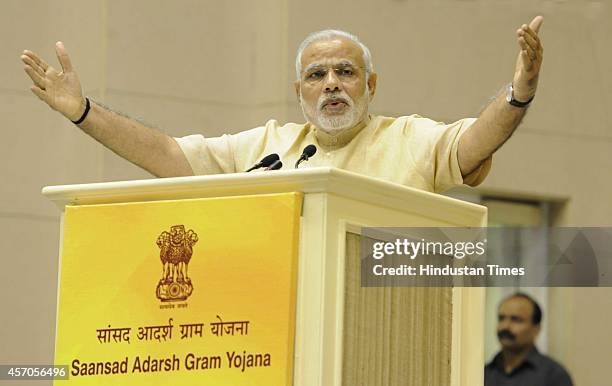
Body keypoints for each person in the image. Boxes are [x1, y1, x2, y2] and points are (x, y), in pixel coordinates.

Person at [20, 17, 544, 193]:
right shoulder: (270, 146)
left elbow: (477, 139)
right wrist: (83, 111)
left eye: (346, 72)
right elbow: (166, 155)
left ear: (371, 84)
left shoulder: (409, 138)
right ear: (300, 92)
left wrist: (518, 90)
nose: (332, 84)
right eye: (317, 75)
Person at [485, 293, 573, 386]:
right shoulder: (484, 373)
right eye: (501, 318)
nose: (505, 326)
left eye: (516, 319)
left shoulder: (554, 376)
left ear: (536, 329)